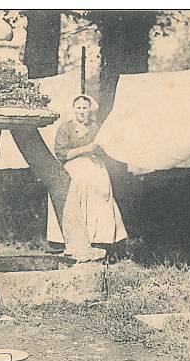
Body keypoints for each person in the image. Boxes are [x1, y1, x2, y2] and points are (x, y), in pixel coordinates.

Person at [47, 94, 128, 258]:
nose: (81, 111)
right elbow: (61, 153)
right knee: (72, 198)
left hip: (95, 169)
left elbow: (103, 148)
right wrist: (87, 148)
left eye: (85, 108)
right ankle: (69, 241)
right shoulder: (66, 128)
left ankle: (99, 241)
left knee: (99, 199)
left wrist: (97, 148)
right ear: (73, 109)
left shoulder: (95, 128)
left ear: (90, 110)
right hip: (73, 170)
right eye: (78, 108)